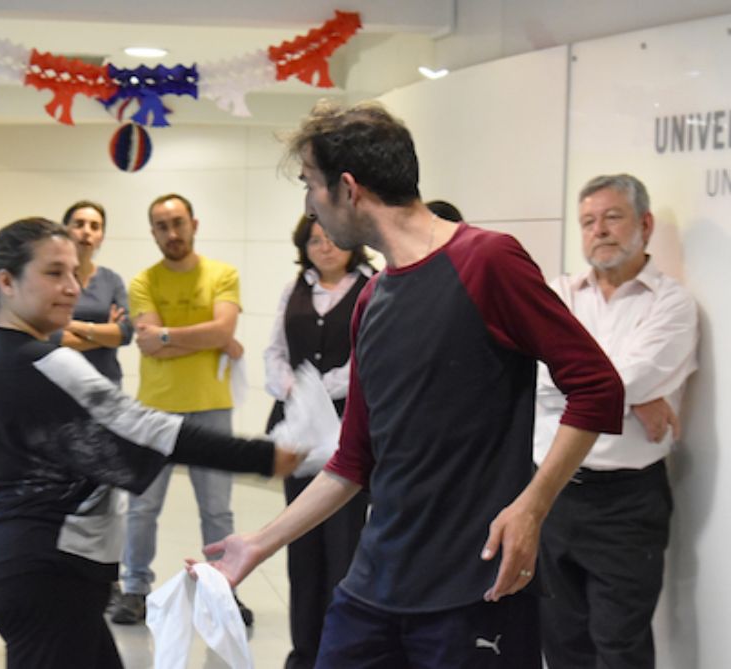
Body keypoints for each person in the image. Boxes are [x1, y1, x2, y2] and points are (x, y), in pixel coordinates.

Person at [201, 101, 627, 668]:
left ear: (348, 188)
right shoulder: (372, 301)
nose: (308, 205)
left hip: (474, 589)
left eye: (310, 186)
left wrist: (532, 506)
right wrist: (258, 543)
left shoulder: (487, 261)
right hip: (374, 585)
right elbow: (354, 460)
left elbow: (598, 386)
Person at [0, 217, 299, 668]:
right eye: (53, 273)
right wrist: (268, 456)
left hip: (19, 568)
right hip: (44, 570)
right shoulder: (45, 362)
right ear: (6, 281)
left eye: (73, 273)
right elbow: (148, 429)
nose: (71, 287)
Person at [533, 174, 698, 669]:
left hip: (626, 505)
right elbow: (535, 372)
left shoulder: (671, 303)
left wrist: (596, 384)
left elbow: (628, 374)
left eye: (611, 217)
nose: (598, 230)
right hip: (551, 493)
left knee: (620, 647)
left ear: (644, 224)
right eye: (587, 221)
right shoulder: (556, 295)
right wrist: (632, 397)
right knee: (560, 643)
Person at [112, 193, 250, 626]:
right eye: (161, 226)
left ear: (194, 223)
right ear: (153, 232)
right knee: (142, 507)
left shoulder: (223, 274)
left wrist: (169, 336)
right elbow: (154, 343)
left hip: (211, 409)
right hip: (154, 411)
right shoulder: (143, 282)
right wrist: (207, 336)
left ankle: (222, 592)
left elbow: (220, 330)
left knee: (217, 510)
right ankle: (135, 589)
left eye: (178, 223)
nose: (172, 233)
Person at [263, 214, 373, 669]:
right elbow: (274, 351)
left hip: (350, 428)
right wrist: (290, 386)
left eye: (331, 239)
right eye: (314, 240)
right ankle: (303, 651)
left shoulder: (372, 286)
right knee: (301, 545)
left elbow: (371, 353)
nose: (324, 247)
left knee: (343, 547)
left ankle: (339, 651)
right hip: (298, 435)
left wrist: (322, 387)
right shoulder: (295, 289)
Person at [57, 200, 133, 384]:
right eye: (79, 224)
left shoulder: (111, 280)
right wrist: (105, 336)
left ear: (101, 237)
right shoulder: (53, 279)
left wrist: (71, 325)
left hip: (105, 384)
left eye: (95, 226)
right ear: (64, 231)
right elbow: (54, 338)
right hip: (59, 384)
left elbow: (125, 333)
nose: (86, 231)